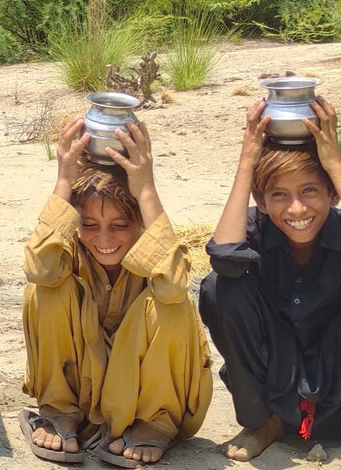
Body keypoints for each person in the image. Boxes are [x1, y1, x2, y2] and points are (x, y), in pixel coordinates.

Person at [20, 116, 212, 466]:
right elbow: (39, 268)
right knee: (44, 289)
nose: (104, 240)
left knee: (172, 303)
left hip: (141, 391)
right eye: (89, 225)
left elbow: (172, 286)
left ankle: (152, 421)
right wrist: (64, 179)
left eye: (120, 225)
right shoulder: (70, 250)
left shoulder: (154, 247)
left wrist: (147, 189)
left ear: (139, 221)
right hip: (81, 385)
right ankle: (61, 411)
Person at [199, 96, 341, 461]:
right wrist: (247, 163)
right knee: (219, 287)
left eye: (310, 191)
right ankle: (263, 422)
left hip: (337, 393)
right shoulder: (254, 228)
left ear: (332, 193)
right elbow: (226, 260)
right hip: (274, 386)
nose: (296, 210)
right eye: (279, 195)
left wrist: (334, 162)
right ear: (261, 201)